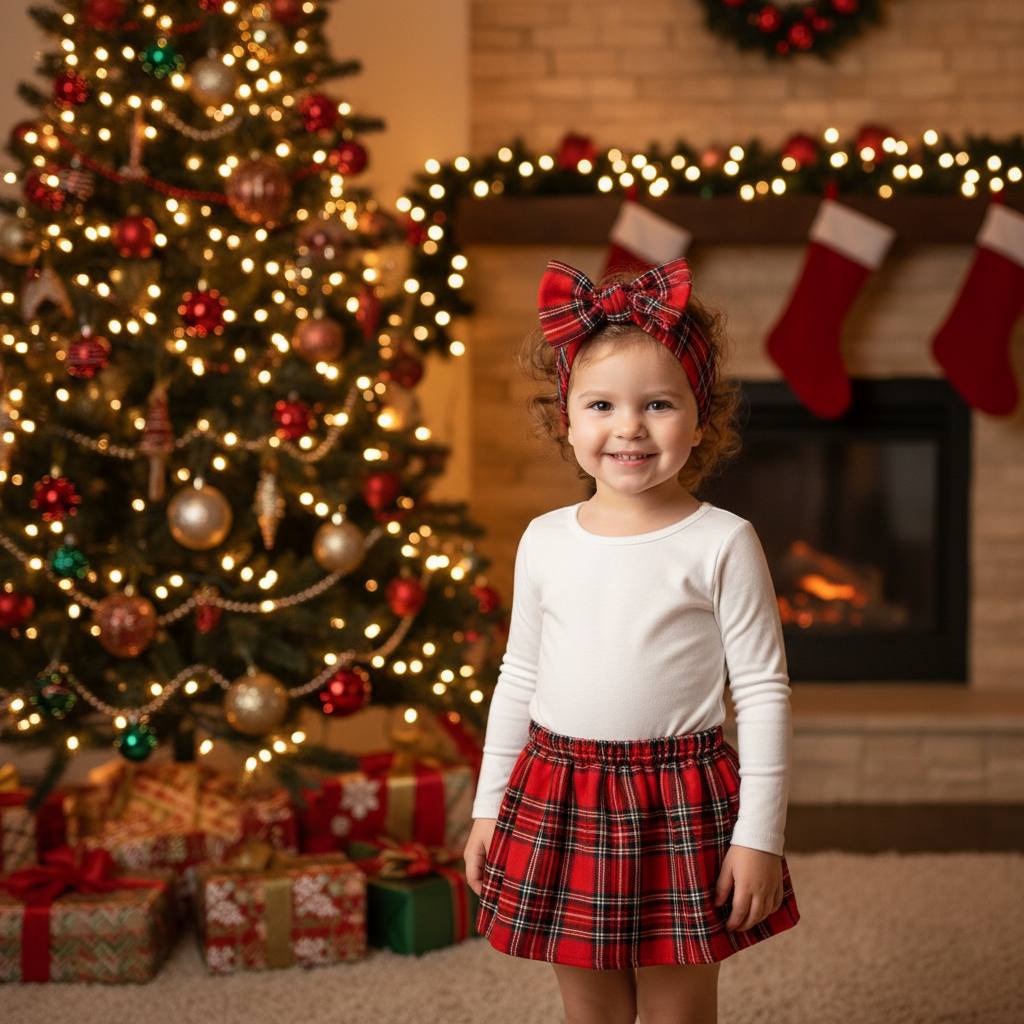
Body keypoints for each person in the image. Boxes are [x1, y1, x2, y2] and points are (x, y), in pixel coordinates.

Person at [463, 257, 800, 1024]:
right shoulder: (544, 540)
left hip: (679, 795)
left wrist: (760, 836)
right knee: (590, 1008)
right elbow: (519, 675)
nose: (629, 427)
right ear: (566, 419)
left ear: (701, 415)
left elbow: (762, 692)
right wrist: (490, 805)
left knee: (680, 1011)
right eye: (602, 404)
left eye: (657, 403)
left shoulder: (722, 542)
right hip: (560, 791)